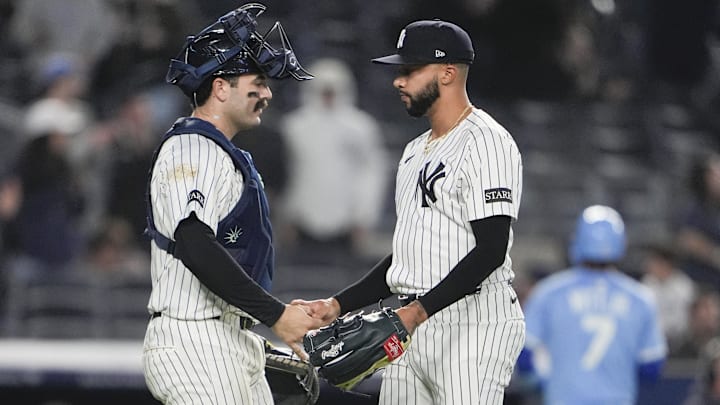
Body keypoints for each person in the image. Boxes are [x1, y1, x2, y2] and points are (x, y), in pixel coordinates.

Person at [294, 19, 526, 404]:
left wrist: (417, 313)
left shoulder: (487, 142)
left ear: (448, 73)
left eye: (410, 70)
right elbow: (407, 257)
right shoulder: (414, 151)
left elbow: (491, 250)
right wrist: (338, 305)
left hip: (472, 320)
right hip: (410, 319)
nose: (398, 81)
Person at [141, 4, 322, 404]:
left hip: (228, 335)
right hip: (194, 338)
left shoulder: (219, 153)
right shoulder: (193, 147)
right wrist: (276, 315)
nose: (268, 94)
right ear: (221, 87)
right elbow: (194, 244)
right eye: (257, 82)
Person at [521, 205, 668, 405]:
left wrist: (545, 382)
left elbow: (524, 355)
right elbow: (652, 366)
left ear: (578, 242)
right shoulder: (640, 298)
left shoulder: (549, 292)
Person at [279, 57, 389, 264]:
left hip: (347, 225)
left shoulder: (361, 127)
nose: (328, 97)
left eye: (332, 91)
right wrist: (287, 215)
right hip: (302, 223)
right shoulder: (294, 128)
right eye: (323, 91)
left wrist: (364, 216)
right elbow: (287, 174)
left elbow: (372, 173)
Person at [639, 243, 697, 352]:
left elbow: (684, 320)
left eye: (653, 262)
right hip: (653, 339)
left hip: (681, 340)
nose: (648, 265)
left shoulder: (684, 285)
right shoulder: (646, 284)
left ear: (665, 264)